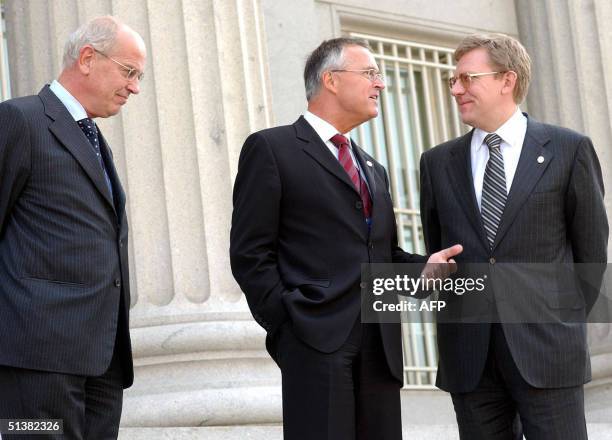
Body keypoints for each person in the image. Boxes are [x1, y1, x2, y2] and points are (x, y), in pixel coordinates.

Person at [230, 37, 462, 440]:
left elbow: (381, 253)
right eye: (370, 73)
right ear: (331, 80)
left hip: (381, 343)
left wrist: (424, 269)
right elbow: (250, 252)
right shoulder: (272, 148)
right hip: (313, 340)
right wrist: (288, 324)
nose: (381, 84)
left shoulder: (373, 168)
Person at [420, 33, 608, 439]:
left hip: (547, 350)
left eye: (467, 78)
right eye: (452, 81)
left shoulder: (568, 149)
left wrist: (562, 320)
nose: (456, 89)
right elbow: (437, 249)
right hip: (469, 356)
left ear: (507, 80)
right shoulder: (436, 163)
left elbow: (591, 251)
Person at [0, 16, 146, 439]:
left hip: (102, 362)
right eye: (129, 71)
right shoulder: (18, 120)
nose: (134, 87)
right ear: (87, 58)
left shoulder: (94, 140)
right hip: (36, 360)